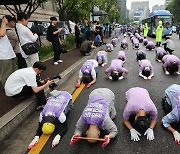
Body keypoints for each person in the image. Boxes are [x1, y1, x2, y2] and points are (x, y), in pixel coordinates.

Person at [0, 16, 16, 87]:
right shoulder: (2, 30)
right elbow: (2, 34)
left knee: (14, 72)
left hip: (10, 55)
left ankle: (13, 86)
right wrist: (3, 22)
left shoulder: (2, 28)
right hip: (3, 57)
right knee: (6, 74)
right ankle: (7, 88)